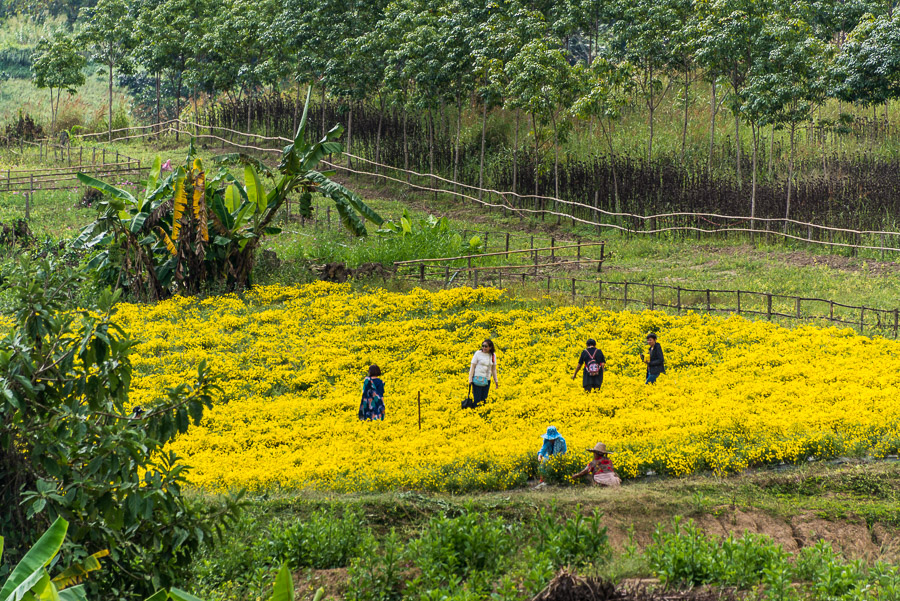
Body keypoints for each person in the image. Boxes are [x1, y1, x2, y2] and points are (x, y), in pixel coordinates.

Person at [468, 339, 498, 407]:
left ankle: (482, 414)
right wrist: (470, 379)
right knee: (477, 400)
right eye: (483, 346)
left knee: (484, 399)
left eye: (486, 346)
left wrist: (496, 380)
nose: (484, 348)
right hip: (477, 379)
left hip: (487, 380)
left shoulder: (493, 355)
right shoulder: (478, 353)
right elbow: (472, 367)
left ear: (490, 347)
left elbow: (493, 369)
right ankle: (476, 414)